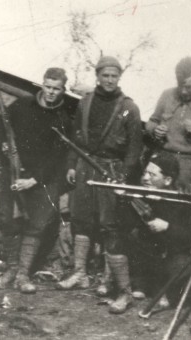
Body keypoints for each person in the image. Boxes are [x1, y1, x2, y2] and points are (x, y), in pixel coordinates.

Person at [57, 56, 143, 315]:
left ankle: (117, 286)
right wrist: (72, 164)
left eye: (113, 76)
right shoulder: (85, 102)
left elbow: (134, 147)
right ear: (97, 76)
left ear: (119, 78)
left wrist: (123, 176)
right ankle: (80, 273)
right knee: (81, 218)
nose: (108, 80)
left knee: (110, 226)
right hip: (84, 167)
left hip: (111, 170)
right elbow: (75, 138)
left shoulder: (129, 108)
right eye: (104, 75)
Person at [0, 67, 73, 294]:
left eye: (57, 89)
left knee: (36, 225)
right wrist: (3, 145)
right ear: (42, 85)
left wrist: (35, 180)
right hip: (14, 171)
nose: (51, 92)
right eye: (48, 86)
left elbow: (59, 157)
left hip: (44, 178)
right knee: (9, 220)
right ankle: (11, 269)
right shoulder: (22, 105)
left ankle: (23, 274)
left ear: (63, 90)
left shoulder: (63, 118)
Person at [125, 152, 191, 310]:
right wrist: (121, 200)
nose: (145, 178)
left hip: (172, 255)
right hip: (150, 254)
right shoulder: (141, 195)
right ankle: (141, 284)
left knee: (181, 265)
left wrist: (168, 227)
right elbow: (125, 224)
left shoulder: (183, 200)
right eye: (145, 173)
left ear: (167, 180)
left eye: (152, 174)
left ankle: (166, 291)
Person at [146, 57, 191, 191]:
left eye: (189, 87)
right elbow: (152, 121)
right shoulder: (167, 95)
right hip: (163, 160)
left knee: (184, 206)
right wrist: (155, 129)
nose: (184, 91)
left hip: (189, 165)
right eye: (180, 85)